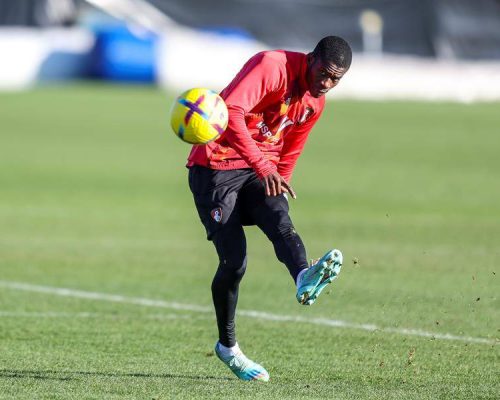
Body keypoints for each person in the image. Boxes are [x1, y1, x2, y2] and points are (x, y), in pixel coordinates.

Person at [187, 36, 352, 382]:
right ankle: (228, 347)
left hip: (258, 171)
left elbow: (291, 148)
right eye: (323, 73)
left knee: (279, 218)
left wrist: (280, 188)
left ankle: (304, 276)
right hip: (215, 167)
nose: (326, 83)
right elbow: (231, 111)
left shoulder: (315, 103)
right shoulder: (272, 66)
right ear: (310, 58)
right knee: (234, 262)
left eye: (335, 79)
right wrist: (264, 167)